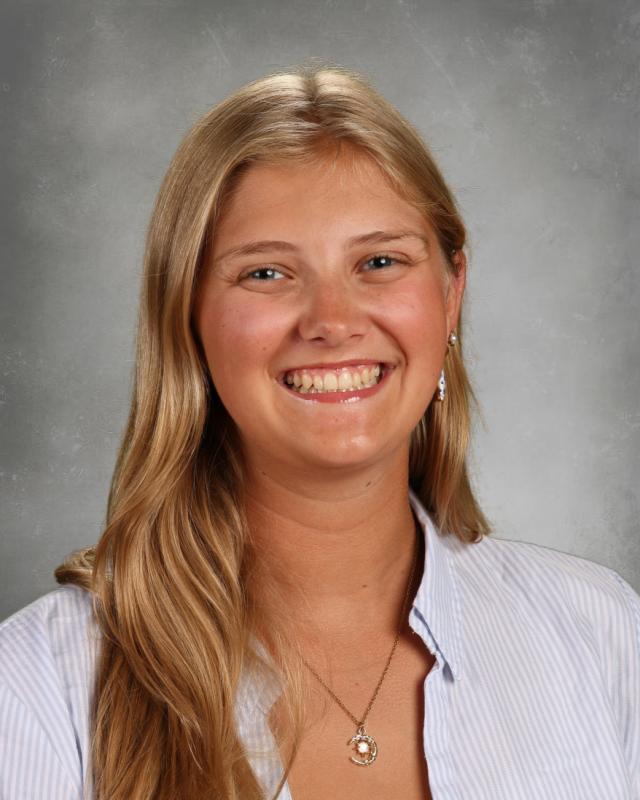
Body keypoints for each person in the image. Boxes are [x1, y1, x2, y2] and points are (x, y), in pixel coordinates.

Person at [0, 62, 638, 800]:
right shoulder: (39, 689)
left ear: (452, 291)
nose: (332, 322)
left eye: (379, 261)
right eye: (267, 274)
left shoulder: (603, 636)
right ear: (188, 317)